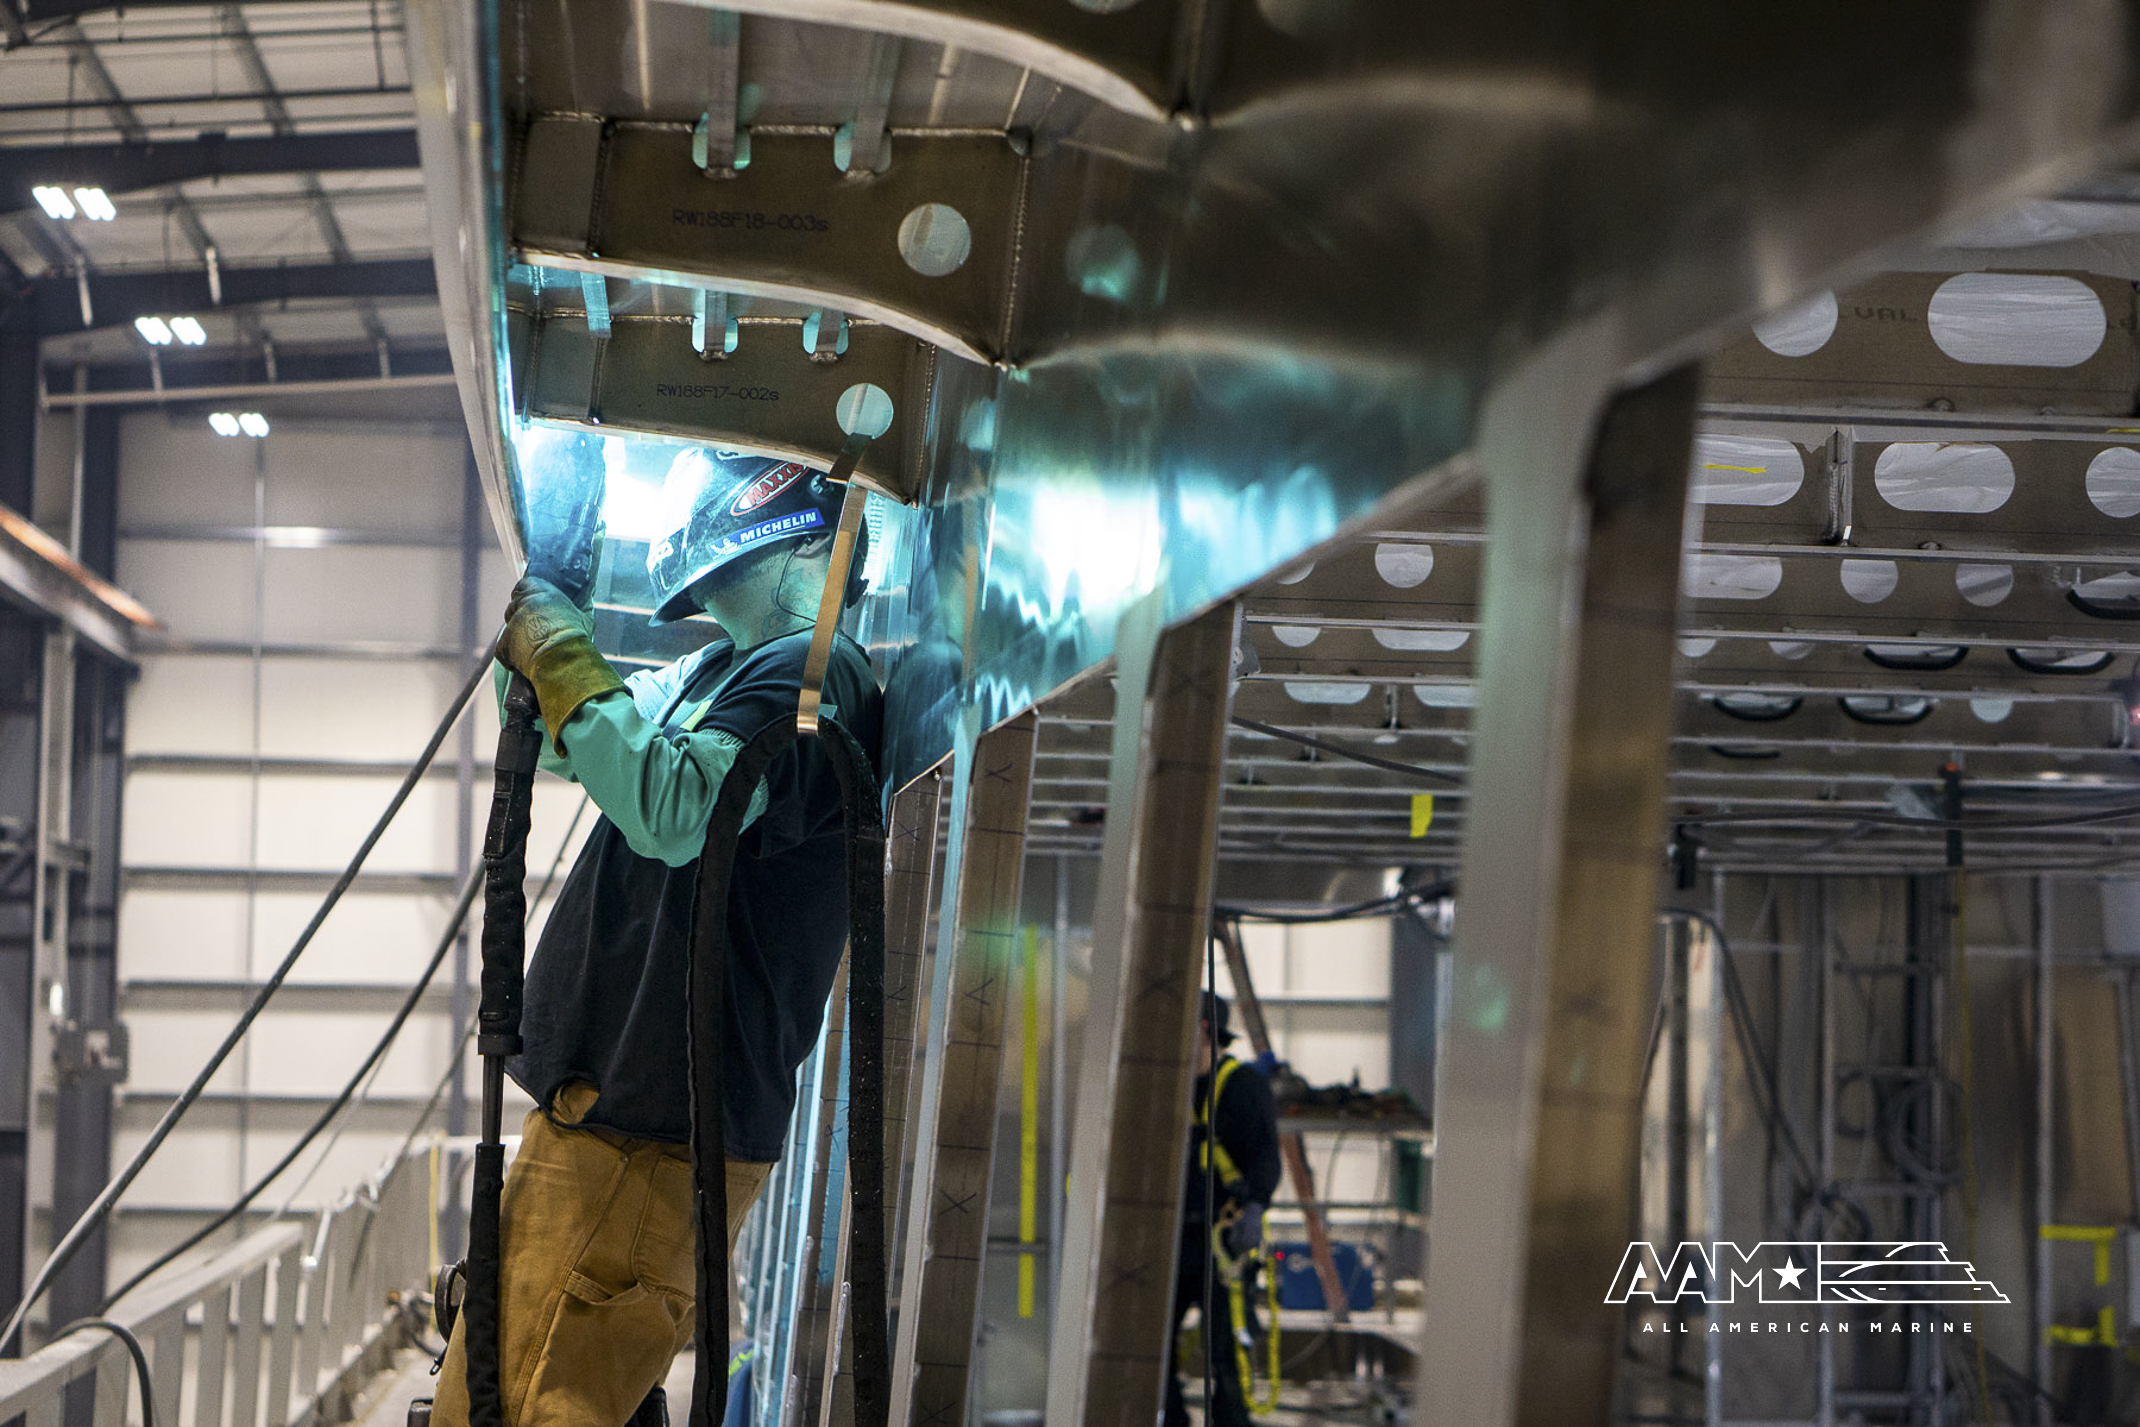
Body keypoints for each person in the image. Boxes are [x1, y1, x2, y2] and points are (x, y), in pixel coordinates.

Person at [431, 450, 884, 1427]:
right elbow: (586, 737)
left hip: (651, 1130)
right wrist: (554, 630)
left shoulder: (813, 669)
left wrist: (559, 645)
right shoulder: (722, 667)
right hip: (617, 1121)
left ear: (768, 517)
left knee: (516, 1406)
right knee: (498, 1392)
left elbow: (677, 807)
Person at [1167, 993, 1283, 1427]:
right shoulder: (1168, 1086)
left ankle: (1232, 1421)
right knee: (1153, 1347)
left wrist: (1254, 1208)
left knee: (1228, 1351)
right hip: (1175, 1240)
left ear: (1201, 1029)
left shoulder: (1242, 1086)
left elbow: (1265, 1157)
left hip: (1223, 1241)